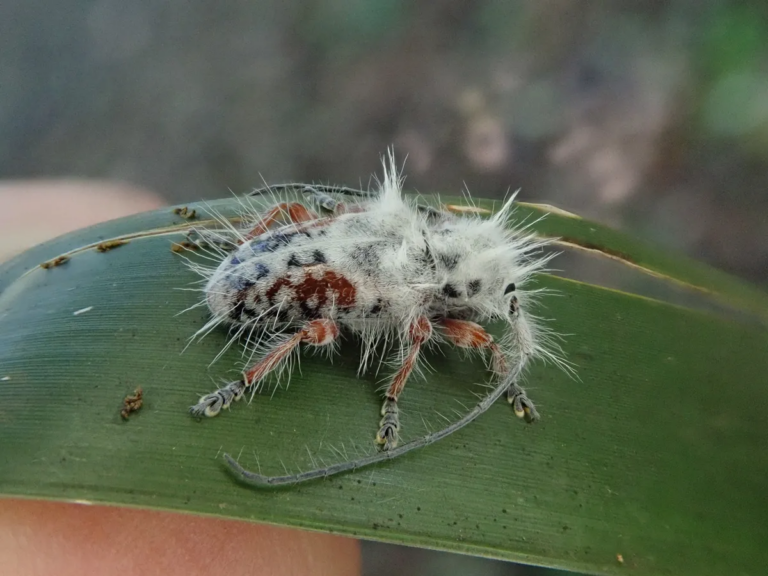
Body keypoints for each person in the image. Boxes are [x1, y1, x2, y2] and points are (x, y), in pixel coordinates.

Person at [0, 181, 361, 576]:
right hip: (256, 287)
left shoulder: (361, 226)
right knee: (306, 330)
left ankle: (230, 255)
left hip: (268, 268)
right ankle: (242, 383)